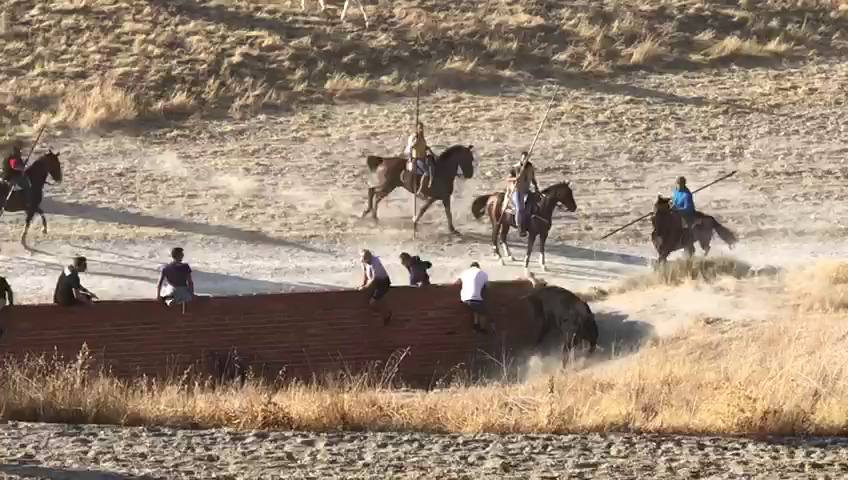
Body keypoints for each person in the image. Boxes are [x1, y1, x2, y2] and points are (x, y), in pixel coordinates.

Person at [509, 152, 540, 237]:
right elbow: (508, 178)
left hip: (526, 190)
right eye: (523, 158)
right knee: (520, 209)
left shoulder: (530, 167)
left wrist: (536, 187)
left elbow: (533, 178)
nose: (525, 160)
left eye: (526, 158)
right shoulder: (515, 168)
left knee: (535, 205)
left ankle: (531, 224)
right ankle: (520, 228)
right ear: (521, 159)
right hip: (517, 190)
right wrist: (515, 178)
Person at [358, 249, 392, 324]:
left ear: (370, 256)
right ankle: (385, 313)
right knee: (371, 302)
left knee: (373, 303)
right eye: (364, 257)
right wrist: (363, 284)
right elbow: (364, 272)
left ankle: (387, 314)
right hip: (375, 282)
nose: (365, 259)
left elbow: (374, 279)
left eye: (367, 257)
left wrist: (366, 287)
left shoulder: (375, 262)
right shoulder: (363, 260)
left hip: (383, 282)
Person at [455, 261, 489, 334]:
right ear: (478, 267)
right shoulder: (484, 274)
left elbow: (457, 282)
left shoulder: (465, 272)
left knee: (476, 309)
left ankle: (475, 324)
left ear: (471, 267)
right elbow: (487, 286)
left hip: (464, 298)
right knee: (483, 312)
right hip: (476, 298)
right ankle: (482, 329)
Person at [406, 122, 434, 194]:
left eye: (422, 127)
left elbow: (425, 147)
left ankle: (431, 182)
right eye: (419, 128)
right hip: (417, 159)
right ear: (417, 128)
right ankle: (420, 190)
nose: (421, 129)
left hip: (423, 157)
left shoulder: (422, 137)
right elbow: (411, 147)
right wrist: (410, 158)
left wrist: (431, 152)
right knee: (426, 172)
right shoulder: (416, 137)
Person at [2, 141, 31, 206]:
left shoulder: (12, 154)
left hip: (8, 175)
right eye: (20, 148)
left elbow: (17, 164)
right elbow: (14, 166)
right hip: (12, 177)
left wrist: (23, 163)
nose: (21, 150)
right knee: (27, 186)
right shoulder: (14, 155)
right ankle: (29, 202)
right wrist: (23, 168)